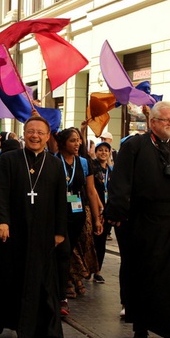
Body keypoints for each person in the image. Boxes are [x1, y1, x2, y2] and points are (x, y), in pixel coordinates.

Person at [104, 101, 170, 338]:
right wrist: (117, 213)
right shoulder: (134, 146)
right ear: (152, 122)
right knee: (144, 274)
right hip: (143, 221)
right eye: (166, 120)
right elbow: (121, 183)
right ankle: (141, 327)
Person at [0, 116, 67, 338]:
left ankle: (39, 330)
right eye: (30, 131)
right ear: (24, 134)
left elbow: (60, 201)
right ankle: (7, 319)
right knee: (10, 278)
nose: (35, 136)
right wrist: (1, 221)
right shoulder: (8, 160)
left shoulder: (56, 164)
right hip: (12, 231)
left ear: (48, 137)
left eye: (40, 132)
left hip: (42, 232)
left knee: (41, 281)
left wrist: (60, 231)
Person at [55, 128, 102, 307]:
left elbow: (91, 191)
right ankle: (62, 290)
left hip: (77, 214)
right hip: (58, 214)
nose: (77, 144)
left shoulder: (83, 163)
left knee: (69, 250)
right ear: (63, 143)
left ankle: (65, 278)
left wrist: (97, 218)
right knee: (64, 251)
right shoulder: (53, 160)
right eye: (73, 141)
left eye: (79, 140)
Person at [91, 141, 113, 284]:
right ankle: (86, 268)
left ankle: (97, 271)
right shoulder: (92, 168)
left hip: (108, 210)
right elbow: (91, 189)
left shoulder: (112, 171)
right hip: (95, 208)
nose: (103, 153)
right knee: (91, 240)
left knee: (101, 242)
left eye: (106, 150)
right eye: (100, 150)